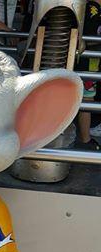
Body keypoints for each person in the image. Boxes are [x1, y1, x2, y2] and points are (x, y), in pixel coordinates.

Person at [75, 0, 101, 149]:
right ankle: (85, 140)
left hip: (91, 62)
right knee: (87, 98)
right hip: (87, 62)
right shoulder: (92, 7)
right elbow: (87, 37)